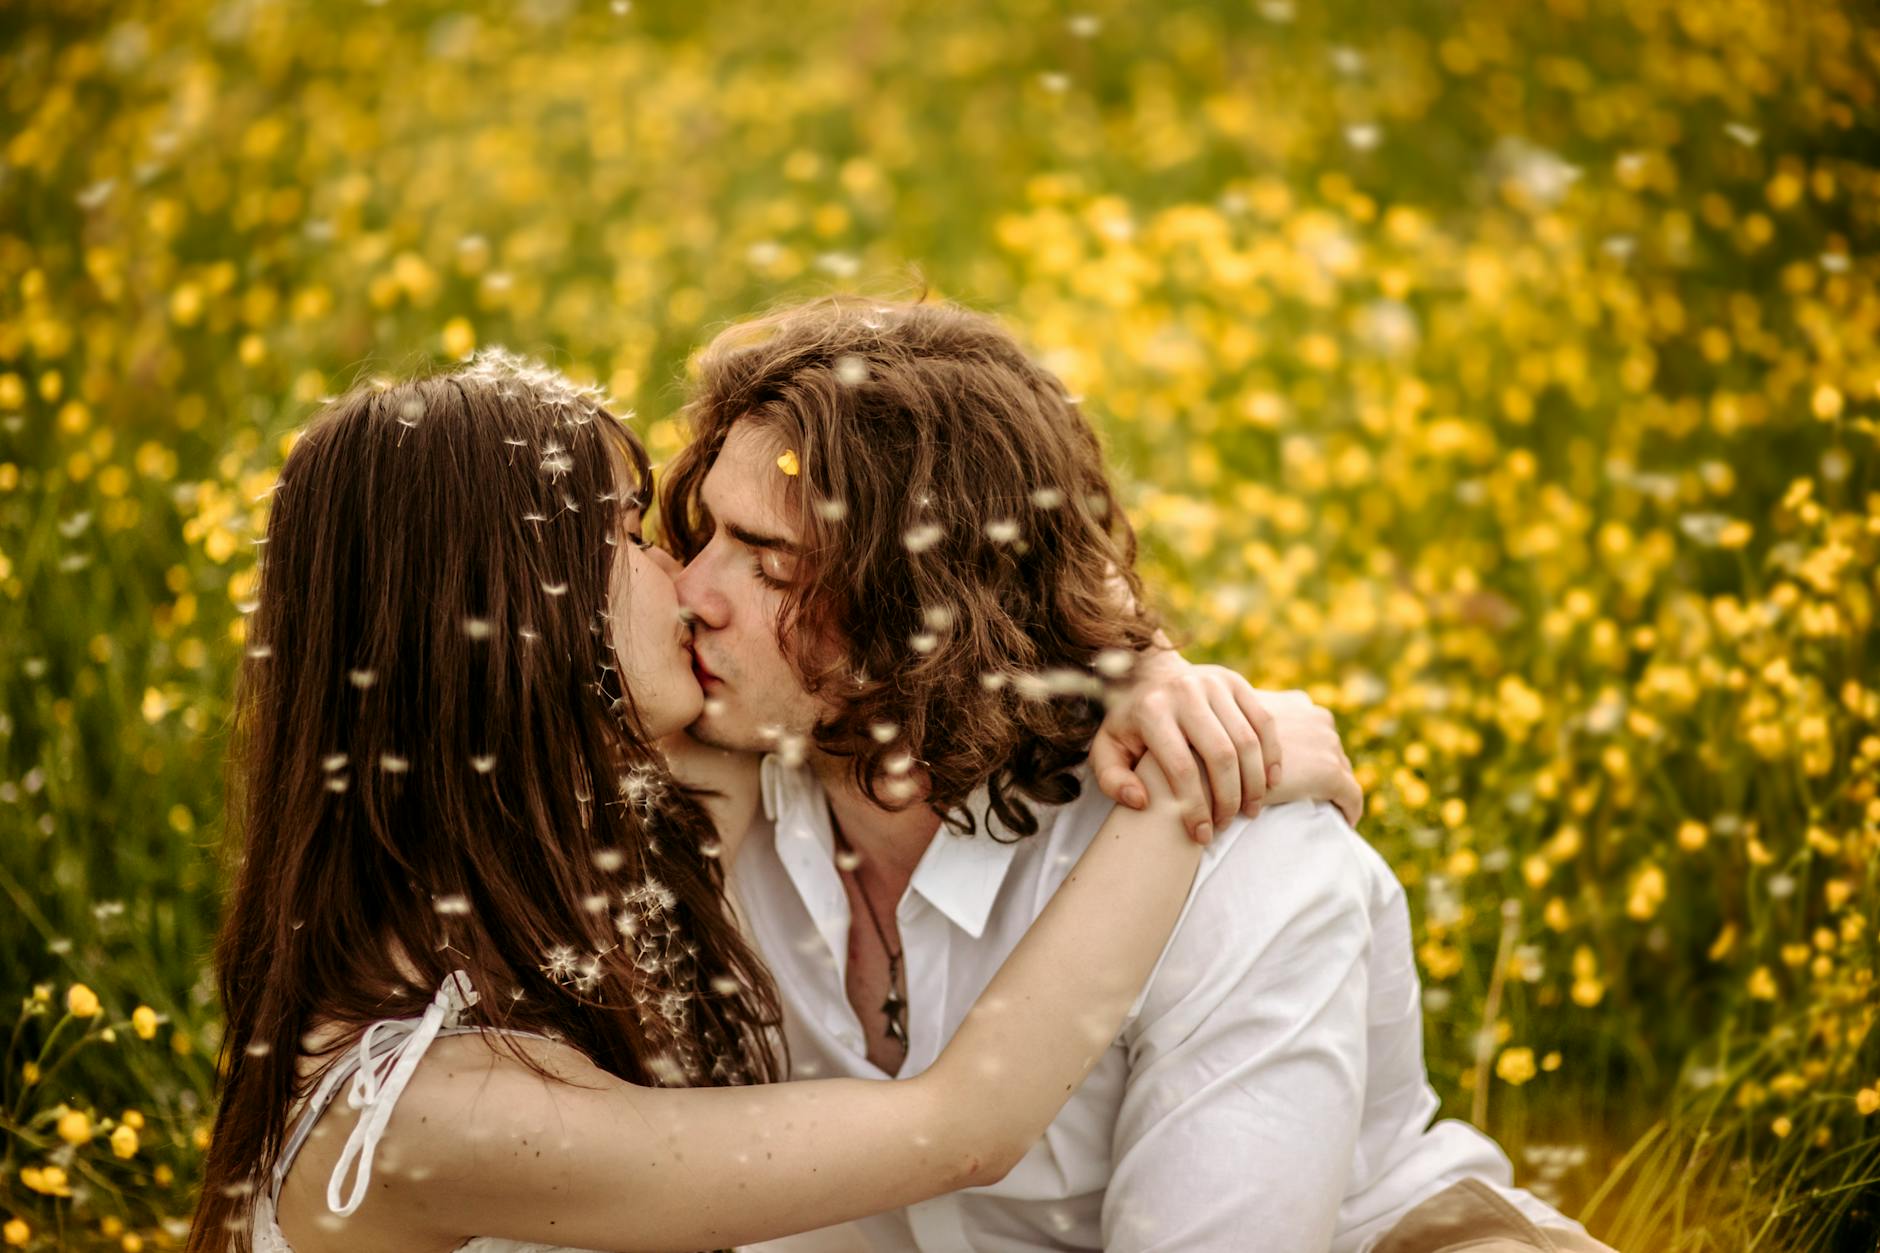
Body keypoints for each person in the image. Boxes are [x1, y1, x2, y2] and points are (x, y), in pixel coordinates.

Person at [188, 351, 1356, 1253]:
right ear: (501, 619)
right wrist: (1186, 791)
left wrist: (1159, 681)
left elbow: (944, 565)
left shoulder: (618, 832)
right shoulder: (439, 1110)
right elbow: (962, 1127)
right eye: (624, 533)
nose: (684, 580)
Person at [658, 297, 1620, 1253]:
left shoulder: (1237, 852)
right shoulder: (709, 782)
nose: (693, 593)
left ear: (925, 605)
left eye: (769, 563)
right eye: (708, 534)